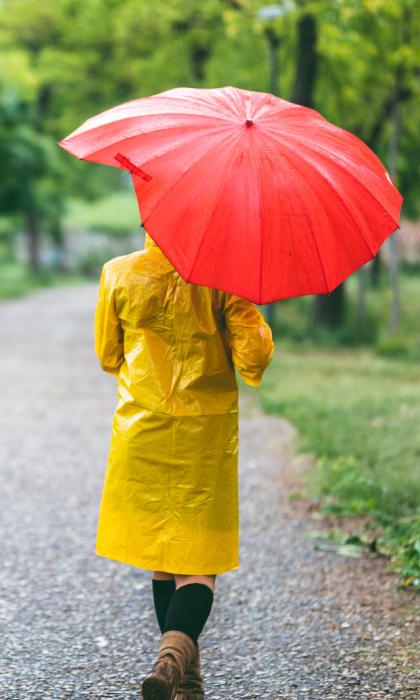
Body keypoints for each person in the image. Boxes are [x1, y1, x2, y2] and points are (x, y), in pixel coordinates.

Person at [94, 232, 275, 700]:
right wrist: (245, 305)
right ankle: (171, 663)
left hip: (142, 430)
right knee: (197, 563)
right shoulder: (224, 282)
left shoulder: (118, 273)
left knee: (163, 557)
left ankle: (186, 680)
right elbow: (253, 361)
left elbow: (109, 356)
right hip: (203, 437)